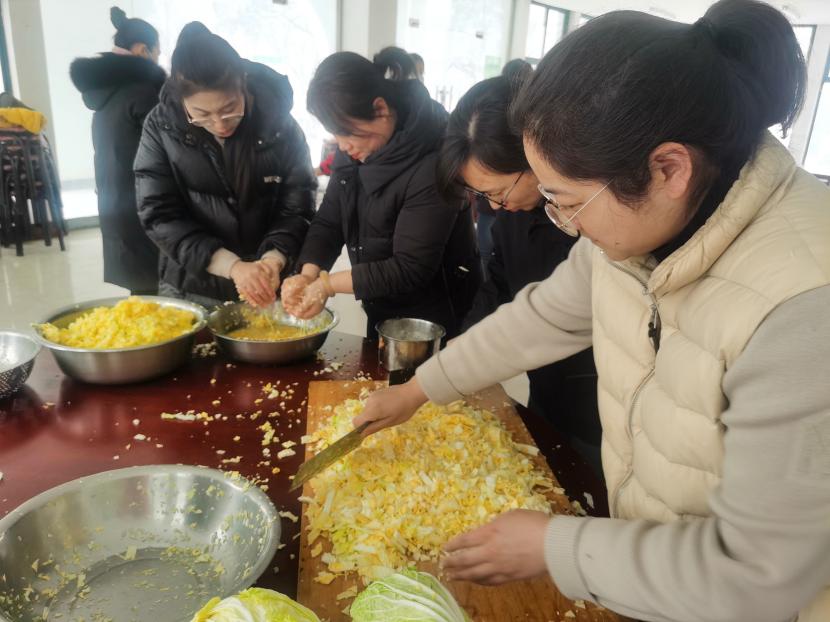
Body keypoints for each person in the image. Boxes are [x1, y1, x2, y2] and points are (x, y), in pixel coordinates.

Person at [354, 1, 830, 620]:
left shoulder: (802, 308)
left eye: (566, 201)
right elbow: (542, 317)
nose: (565, 223)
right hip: (652, 572)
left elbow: (758, 574)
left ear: (669, 169)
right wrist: (419, 389)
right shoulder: (637, 231)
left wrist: (555, 546)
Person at [438, 75, 601, 476]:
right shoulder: (512, 214)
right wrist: (465, 339)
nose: (495, 206)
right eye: (484, 196)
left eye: (499, 192)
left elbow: (559, 314)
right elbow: (498, 281)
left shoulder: (592, 221)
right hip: (545, 386)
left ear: (535, 156)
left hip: (597, 402)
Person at [281, 51, 481, 338]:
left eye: (346, 133)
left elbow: (410, 267)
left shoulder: (434, 160)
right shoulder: (358, 148)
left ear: (380, 109)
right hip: (383, 306)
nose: (343, 146)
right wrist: (308, 274)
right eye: (336, 134)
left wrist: (327, 285)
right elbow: (330, 221)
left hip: (436, 318)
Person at [135, 22, 316, 308]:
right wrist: (231, 266)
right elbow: (158, 213)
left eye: (230, 109)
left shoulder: (279, 125)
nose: (219, 124)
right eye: (201, 114)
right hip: (192, 285)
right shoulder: (161, 126)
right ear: (182, 100)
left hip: (268, 283)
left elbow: (298, 205)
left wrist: (274, 258)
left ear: (243, 83)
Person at [70, 7, 165, 295]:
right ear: (142, 50)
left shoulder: (105, 90)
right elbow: (166, 151)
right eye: (157, 53)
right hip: (143, 203)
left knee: (141, 288)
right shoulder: (142, 91)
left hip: (115, 200)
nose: (159, 60)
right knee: (156, 290)